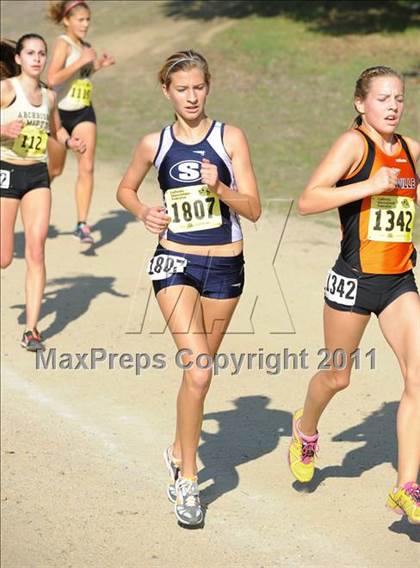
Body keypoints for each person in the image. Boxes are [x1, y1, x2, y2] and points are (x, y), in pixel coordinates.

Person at [117, 50, 261, 526]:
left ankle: (179, 446)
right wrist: (143, 212)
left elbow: (255, 208)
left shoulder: (230, 137)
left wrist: (220, 188)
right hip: (174, 261)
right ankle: (187, 480)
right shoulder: (153, 144)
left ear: (208, 86)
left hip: (225, 269)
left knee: (200, 374)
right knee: (198, 373)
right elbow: (126, 189)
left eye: (198, 87)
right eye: (182, 88)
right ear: (167, 92)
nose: (192, 96)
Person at [288, 66, 419, 525]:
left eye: (399, 98)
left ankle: (407, 486)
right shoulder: (353, 145)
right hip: (354, 279)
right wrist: (370, 185)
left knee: (418, 378)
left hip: (400, 281)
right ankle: (305, 428)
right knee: (337, 377)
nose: (393, 106)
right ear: (361, 104)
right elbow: (307, 201)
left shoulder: (410, 151)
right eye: (383, 98)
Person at [1, 33, 86, 351]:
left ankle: (32, 329)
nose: (37, 58)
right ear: (19, 59)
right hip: (6, 172)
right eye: (31, 53)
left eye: (42, 53)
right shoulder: (6, 89)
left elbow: (56, 128)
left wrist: (70, 142)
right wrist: (3, 130)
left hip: (37, 174)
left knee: (36, 251)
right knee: (5, 258)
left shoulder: (49, 96)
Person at [46, 0, 115, 244]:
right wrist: (81, 60)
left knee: (86, 167)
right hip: (59, 113)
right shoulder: (63, 44)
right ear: (67, 20)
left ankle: (81, 224)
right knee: (54, 170)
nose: (85, 24)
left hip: (84, 112)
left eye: (88, 19)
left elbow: (79, 76)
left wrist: (97, 65)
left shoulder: (86, 46)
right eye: (80, 20)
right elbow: (52, 78)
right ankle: (28, 198)